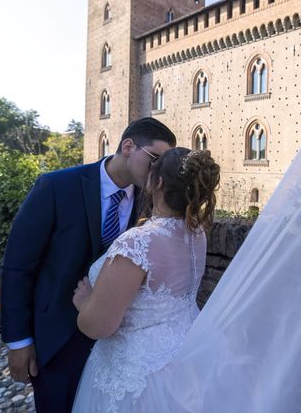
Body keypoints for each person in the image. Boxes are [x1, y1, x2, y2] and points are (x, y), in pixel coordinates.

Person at [0, 117, 176, 412]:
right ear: (128, 147)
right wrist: (18, 341)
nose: (159, 171)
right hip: (57, 341)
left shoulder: (152, 202)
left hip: (117, 346)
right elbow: (18, 266)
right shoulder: (56, 186)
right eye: (155, 159)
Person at [71, 147, 220, 411]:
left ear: (158, 182)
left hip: (138, 376)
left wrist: (84, 301)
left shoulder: (137, 242)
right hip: (186, 358)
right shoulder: (196, 232)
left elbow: (98, 327)